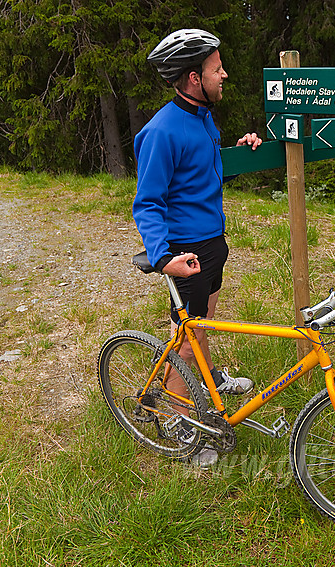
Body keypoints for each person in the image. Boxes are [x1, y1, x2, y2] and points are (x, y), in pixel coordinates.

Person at [133, 28, 262, 468]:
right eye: (216, 69)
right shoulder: (161, 131)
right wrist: (164, 258)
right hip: (187, 252)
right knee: (186, 340)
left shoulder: (202, 119)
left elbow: (199, 170)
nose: (224, 74)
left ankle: (203, 382)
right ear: (193, 78)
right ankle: (177, 421)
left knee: (201, 324)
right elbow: (147, 202)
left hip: (213, 243)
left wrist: (238, 151)